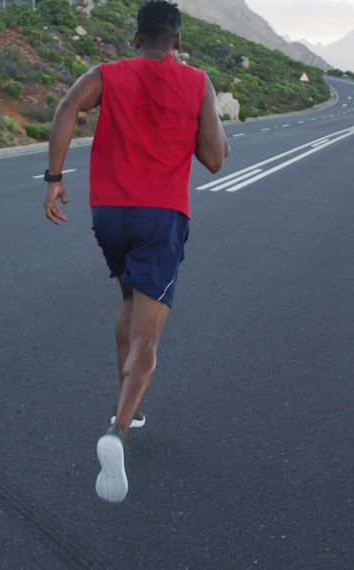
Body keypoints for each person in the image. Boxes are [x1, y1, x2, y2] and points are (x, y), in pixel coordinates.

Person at [43, 0, 229, 503]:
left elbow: (66, 108)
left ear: (134, 39)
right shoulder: (196, 81)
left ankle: (131, 407)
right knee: (148, 338)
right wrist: (202, 107)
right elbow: (214, 159)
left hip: (109, 214)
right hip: (161, 217)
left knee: (129, 301)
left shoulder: (107, 73)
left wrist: (55, 179)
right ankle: (118, 429)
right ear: (177, 42)